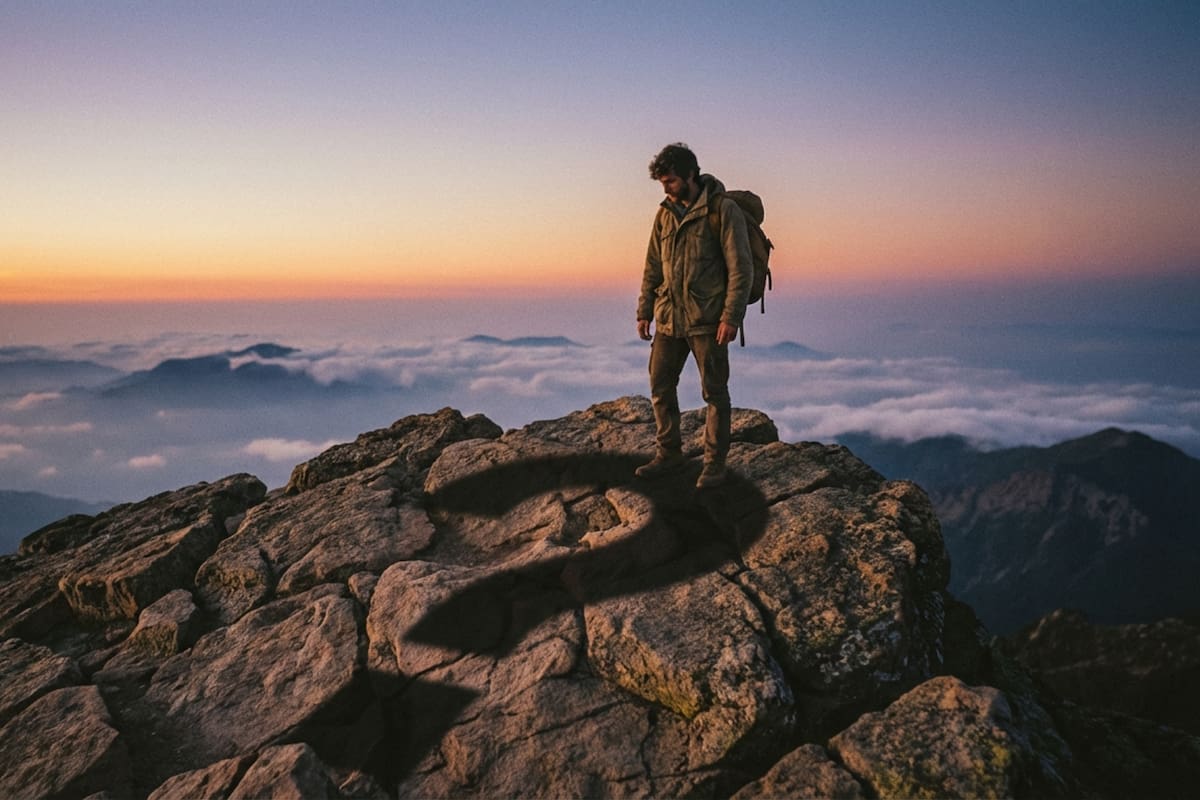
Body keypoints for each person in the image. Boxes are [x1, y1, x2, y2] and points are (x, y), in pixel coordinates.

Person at [635, 143, 753, 488]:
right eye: (662, 183)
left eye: (671, 181)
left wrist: (731, 316)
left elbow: (740, 269)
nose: (666, 188)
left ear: (690, 175)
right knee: (660, 386)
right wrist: (644, 310)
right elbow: (652, 266)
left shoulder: (722, 211)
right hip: (669, 318)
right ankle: (669, 454)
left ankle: (714, 464)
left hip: (708, 320)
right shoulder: (664, 214)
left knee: (714, 393)